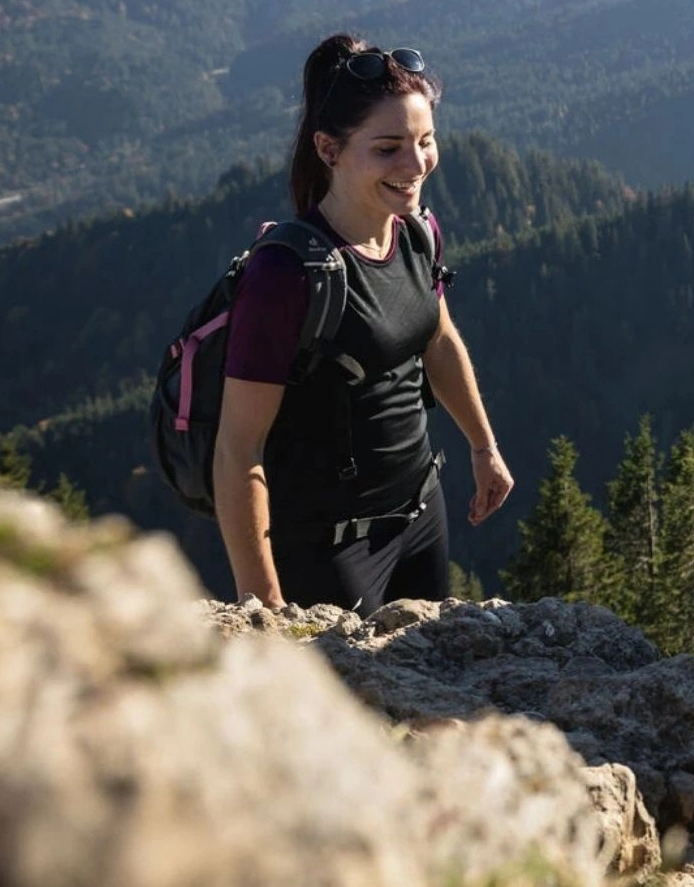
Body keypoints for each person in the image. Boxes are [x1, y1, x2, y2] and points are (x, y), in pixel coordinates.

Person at [211, 35, 514, 610]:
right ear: (329, 149)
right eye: (388, 148)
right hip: (328, 550)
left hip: (422, 514)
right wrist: (264, 604)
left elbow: (439, 338)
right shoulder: (287, 275)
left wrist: (483, 446)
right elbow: (237, 449)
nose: (416, 164)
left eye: (426, 141)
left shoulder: (417, 231)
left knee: (425, 692)